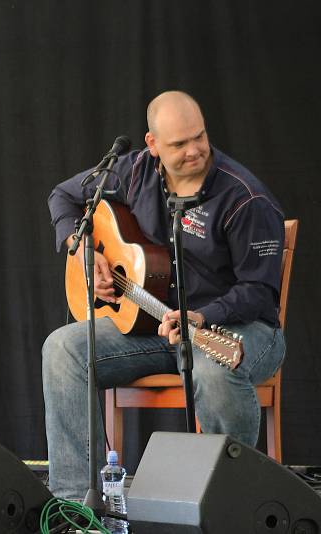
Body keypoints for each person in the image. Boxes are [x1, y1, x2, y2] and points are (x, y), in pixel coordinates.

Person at [42, 91, 285, 499]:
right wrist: (81, 247)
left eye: (199, 138)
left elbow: (260, 293)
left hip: (238, 330)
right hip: (155, 327)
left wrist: (202, 317)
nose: (194, 151)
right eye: (179, 144)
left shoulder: (246, 199)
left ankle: (231, 502)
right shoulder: (132, 171)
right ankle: (77, 503)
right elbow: (63, 196)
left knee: (213, 371)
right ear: (152, 144)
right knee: (63, 348)